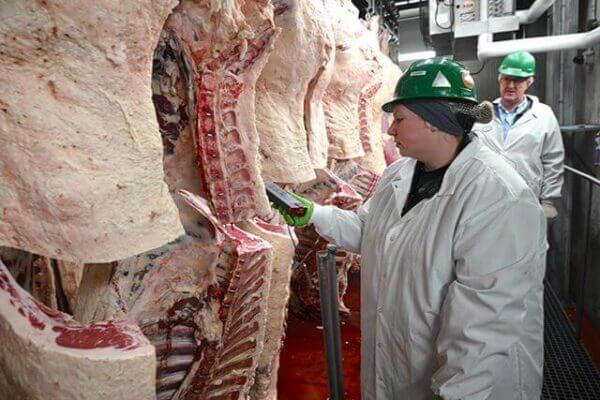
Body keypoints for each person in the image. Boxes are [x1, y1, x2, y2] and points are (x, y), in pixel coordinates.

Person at [273, 58, 547, 400]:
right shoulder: (398, 175)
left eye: (399, 119)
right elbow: (367, 230)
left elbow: (483, 329)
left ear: (434, 120)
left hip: (466, 386)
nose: (390, 130)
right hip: (397, 365)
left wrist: (456, 395)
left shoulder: (498, 197)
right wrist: (314, 213)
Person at [472, 51, 564, 220]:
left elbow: (553, 160)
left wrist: (548, 201)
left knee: (524, 245)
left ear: (529, 82)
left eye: (518, 80)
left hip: (525, 198)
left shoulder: (544, 115)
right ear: (499, 79)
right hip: (485, 199)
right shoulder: (482, 114)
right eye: (507, 78)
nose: (511, 85)